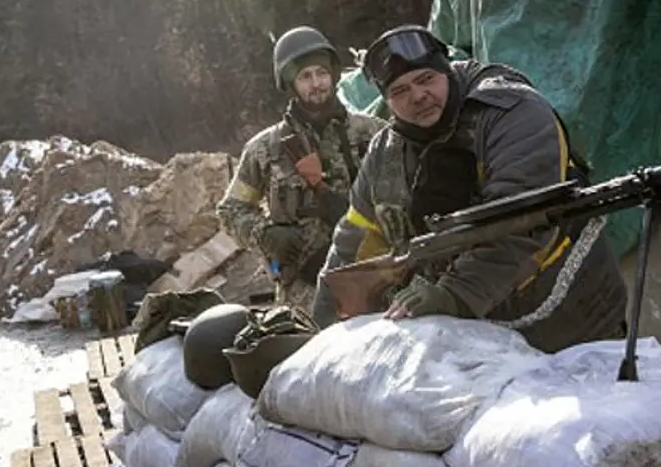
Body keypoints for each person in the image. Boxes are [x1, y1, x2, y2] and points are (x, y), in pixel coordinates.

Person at [311, 25, 628, 352]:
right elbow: (354, 242)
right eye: (400, 91)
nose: (418, 96)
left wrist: (454, 294)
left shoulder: (511, 111)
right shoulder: (384, 154)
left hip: (571, 316)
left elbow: (523, 218)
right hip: (478, 338)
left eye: (426, 80)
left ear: (446, 70)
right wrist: (318, 334)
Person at [217, 26, 387, 313]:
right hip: (303, 296)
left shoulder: (374, 133)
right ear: (290, 84)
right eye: (305, 77)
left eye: (322, 73)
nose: (317, 83)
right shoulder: (265, 149)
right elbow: (231, 210)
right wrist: (266, 235)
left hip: (376, 283)